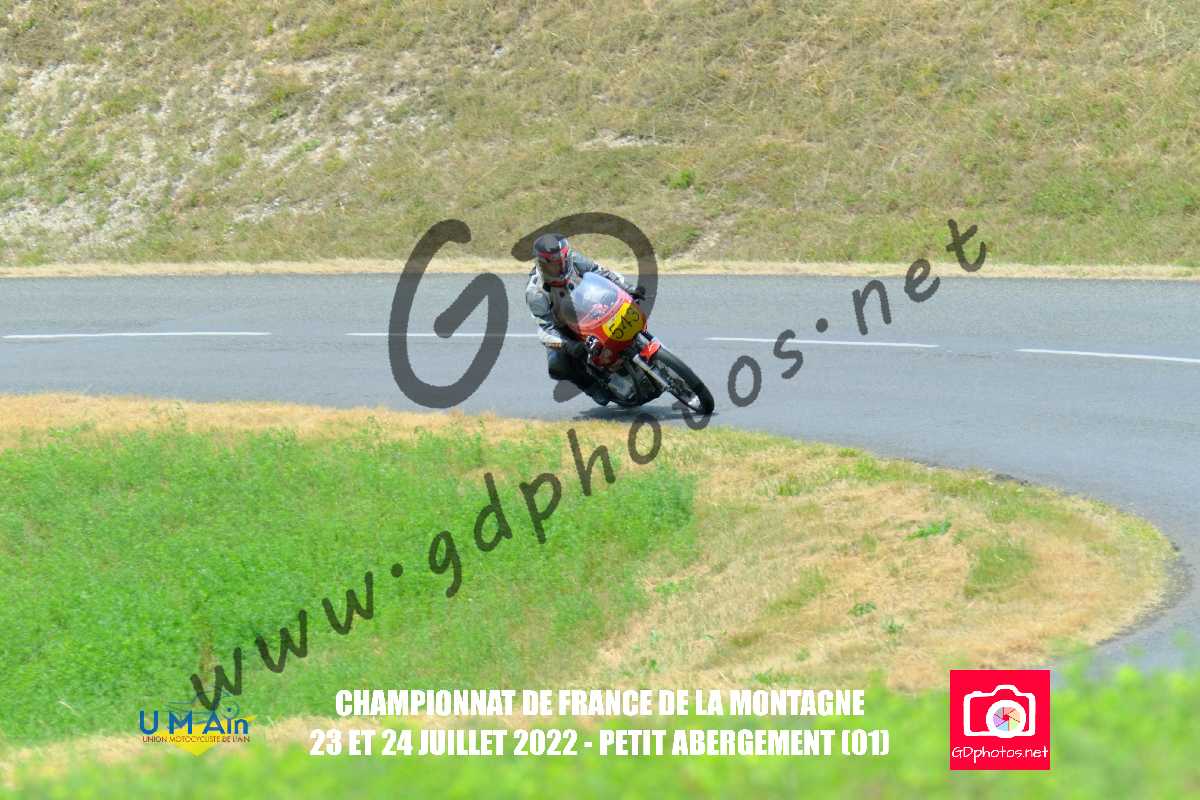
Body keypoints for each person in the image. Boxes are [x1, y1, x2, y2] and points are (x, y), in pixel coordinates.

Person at [524, 233, 645, 405]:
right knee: (557, 365)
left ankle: (642, 343)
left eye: (562, 261)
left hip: (590, 305)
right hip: (565, 328)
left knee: (626, 312)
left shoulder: (574, 260)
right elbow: (545, 328)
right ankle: (592, 387)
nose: (560, 267)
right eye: (553, 265)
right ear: (541, 264)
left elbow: (601, 272)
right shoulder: (535, 292)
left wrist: (627, 288)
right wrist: (569, 345)